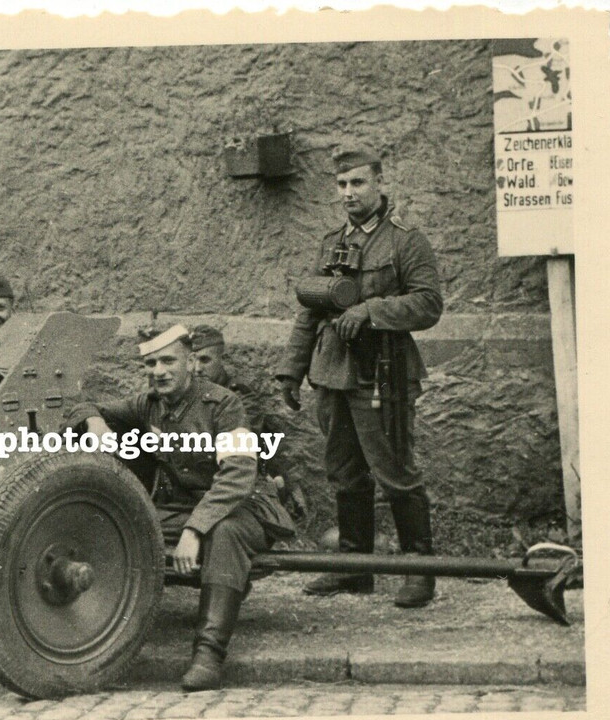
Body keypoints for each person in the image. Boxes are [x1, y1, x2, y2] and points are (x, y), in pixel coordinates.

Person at [68, 325, 295, 691]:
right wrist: (94, 421)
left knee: (227, 532)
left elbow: (237, 475)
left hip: (244, 507)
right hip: (182, 508)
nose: (158, 371)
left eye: (168, 360)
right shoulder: (149, 405)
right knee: (120, 521)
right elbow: (85, 405)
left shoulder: (223, 405)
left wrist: (195, 529)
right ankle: (99, 636)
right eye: (151, 363)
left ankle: (208, 654)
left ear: (191, 362)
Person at [275, 147, 443, 608]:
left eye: (358, 183)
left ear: (379, 183)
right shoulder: (331, 243)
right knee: (345, 473)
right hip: (332, 375)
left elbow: (429, 304)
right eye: (342, 184)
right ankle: (354, 567)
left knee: (395, 471)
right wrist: (291, 370)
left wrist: (371, 309)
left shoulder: (405, 242)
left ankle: (419, 570)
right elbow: (311, 309)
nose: (349, 192)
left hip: (382, 373)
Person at [189, 324, 305, 520]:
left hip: (230, 479)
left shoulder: (241, 397)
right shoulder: (188, 394)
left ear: (222, 359)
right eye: (192, 361)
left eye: (205, 360)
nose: (197, 369)